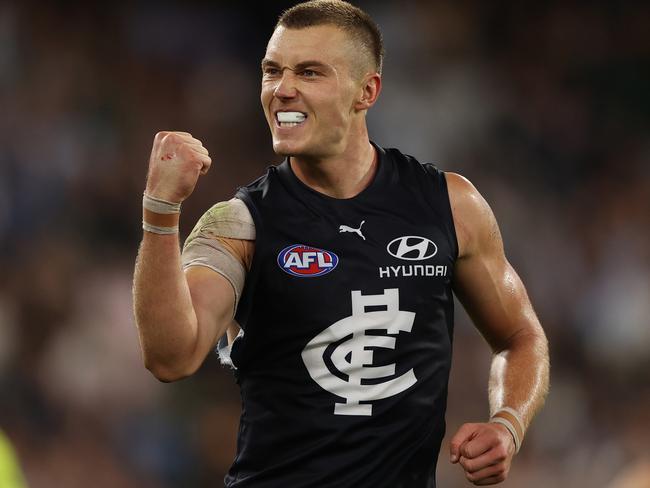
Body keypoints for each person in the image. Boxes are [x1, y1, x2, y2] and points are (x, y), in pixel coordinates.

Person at [132, 1, 550, 486]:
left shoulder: (451, 206)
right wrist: (160, 211)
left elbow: (522, 338)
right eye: (272, 72)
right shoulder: (240, 223)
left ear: (366, 91)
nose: (282, 90)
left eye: (309, 73)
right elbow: (170, 356)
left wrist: (508, 424)